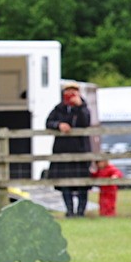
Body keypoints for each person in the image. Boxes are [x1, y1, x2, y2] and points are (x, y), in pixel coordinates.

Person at [46, 82, 92, 217]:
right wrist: (59, 125)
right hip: (62, 150)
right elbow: (48, 122)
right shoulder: (59, 109)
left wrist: (79, 106)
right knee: (64, 183)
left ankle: (81, 212)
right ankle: (70, 211)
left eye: (73, 91)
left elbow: (86, 122)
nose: (71, 94)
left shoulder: (83, 108)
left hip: (81, 150)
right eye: (68, 91)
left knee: (83, 183)